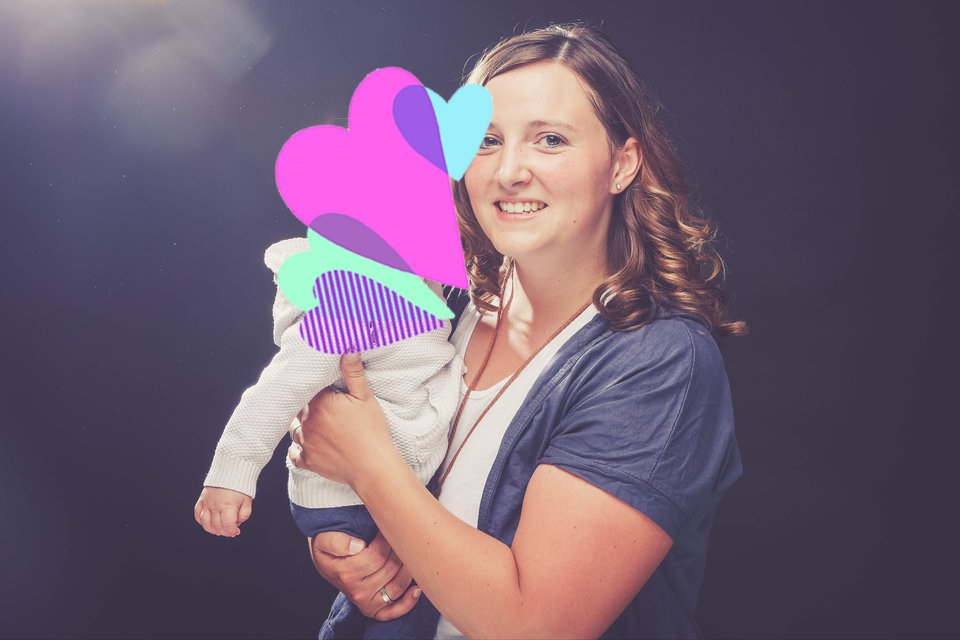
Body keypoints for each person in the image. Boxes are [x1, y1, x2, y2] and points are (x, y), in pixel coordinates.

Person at [289, 22, 748, 639]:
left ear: (622, 164)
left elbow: (539, 626)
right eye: (486, 141)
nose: (509, 171)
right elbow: (379, 487)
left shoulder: (661, 362)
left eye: (550, 139)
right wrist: (342, 545)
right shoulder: (443, 307)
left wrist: (367, 464)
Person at [193, 236, 464, 547]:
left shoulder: (415, 277)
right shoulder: (349, 304)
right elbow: (282, 385)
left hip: (399, 480)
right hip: (350, 501)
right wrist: (233, 471)